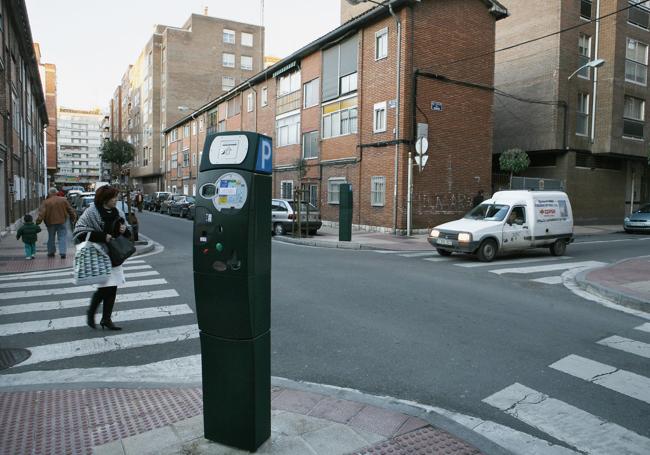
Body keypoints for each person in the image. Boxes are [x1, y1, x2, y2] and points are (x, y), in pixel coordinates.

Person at [73, 185, 131, 331]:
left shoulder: (118, 212)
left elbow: (128, 232)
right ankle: (92, 313)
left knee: (112, 288)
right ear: (105, 199)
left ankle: (106, 319)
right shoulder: (91, 211)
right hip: (98, 253)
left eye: (116, 197)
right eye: (113, 198)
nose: (115, 200)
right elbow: (79, 231)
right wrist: (102, 236)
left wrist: (124, 230)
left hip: (114, 254)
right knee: (105, 288)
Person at [36, 187, 77, 258]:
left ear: (49, 193)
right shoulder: (63, 200)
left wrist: (38, 222)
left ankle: (51, 252)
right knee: (62, 237)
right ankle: (63, 252)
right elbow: (70, 210)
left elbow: (42, 213)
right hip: (62, 222)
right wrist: (73, 218)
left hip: (50, 223)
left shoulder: (46, 202)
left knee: (51, 237)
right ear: (56, 192)